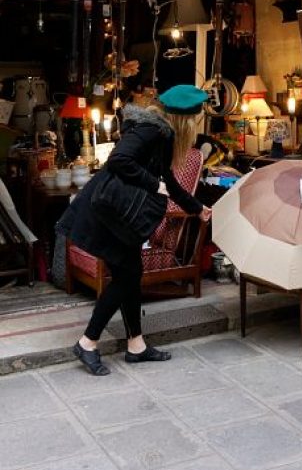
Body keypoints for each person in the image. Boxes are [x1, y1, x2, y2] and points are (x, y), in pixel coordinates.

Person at [56, 84, 212, 376]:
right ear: (185, 119)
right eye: (196, 120)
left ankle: (136, 345)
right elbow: (118, 161)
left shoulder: (163, 134)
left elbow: (169, 180)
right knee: (126, 276)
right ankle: (88, 342)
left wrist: (196, 207)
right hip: (109, 213)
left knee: (130, 274)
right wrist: (154, 185)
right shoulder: (152, 131)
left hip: (117, 213)